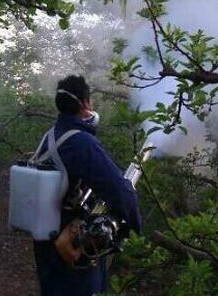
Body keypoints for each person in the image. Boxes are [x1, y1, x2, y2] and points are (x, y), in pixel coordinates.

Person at [32, 75, 142, 296]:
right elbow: (119, 191)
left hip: (46, 243)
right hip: (72, 247)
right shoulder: (81, 143)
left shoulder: (50, 136)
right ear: (85, 103)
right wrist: (136, 226)